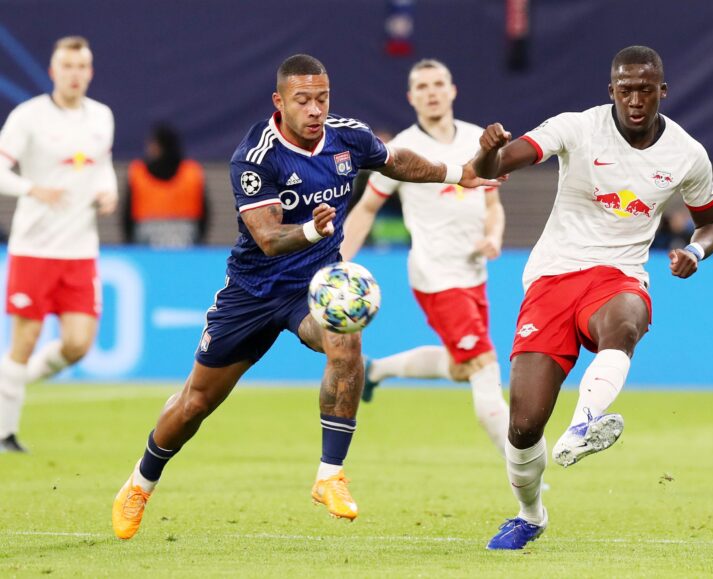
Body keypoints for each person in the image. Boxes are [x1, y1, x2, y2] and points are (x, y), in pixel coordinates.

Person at [111, 53, 495, 540]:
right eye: (303, 100)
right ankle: (140, 482)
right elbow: (269, 238)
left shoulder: (347, 137)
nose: (315, 110)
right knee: (195, 403)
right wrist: (313, 233)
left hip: (315, 284)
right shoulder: (255, 156)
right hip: (253, 290)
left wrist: (457, 173)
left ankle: (329, 475)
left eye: (322, 99)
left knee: (345, 338)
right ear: (280, 102)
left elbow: (395, 161)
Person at [473, 46, 713, 550]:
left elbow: (712, 222)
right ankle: (530, 514)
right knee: (523, 426)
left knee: (627, 320)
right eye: (625, 89)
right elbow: (498, 163)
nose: (635, 99)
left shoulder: (687, 153)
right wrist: (489, 149)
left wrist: (695, 252)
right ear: (611, 91)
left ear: (662, 92)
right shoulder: (576, 128)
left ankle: (586, 422)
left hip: (619, 274)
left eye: (645, 89)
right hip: (552, 277)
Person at [342, 59, 509, 454]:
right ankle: (524, 468)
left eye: (438, 84)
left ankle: (377, 369)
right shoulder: (400, 150)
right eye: (422, 86)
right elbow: (366, 209)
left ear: (452, 90)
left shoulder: (476, 140)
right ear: (411, 97)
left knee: (460, 366)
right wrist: (337, 261)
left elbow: (493, 203)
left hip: (474, 273)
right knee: (485, 367)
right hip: (435, 276)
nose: (431, 92)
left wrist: (495, 236)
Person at [0, 36, 118, 453]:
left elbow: (102, 167)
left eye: (81, 66)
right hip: (35, 248)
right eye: (67, 66)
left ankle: (10, 382)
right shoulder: (29, 117)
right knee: (25, 339)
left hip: (80, 251)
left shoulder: (101, 117)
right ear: (53, 72)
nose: (74, 73)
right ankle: (5, 434)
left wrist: (109, 193)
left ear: (90, 71)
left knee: (78, 344)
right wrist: (33, 188)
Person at [123, 123, 208, 247]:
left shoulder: (137, 172)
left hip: (145, 241)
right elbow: (204, 216)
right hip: (187, 240)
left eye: (153, 144)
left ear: (160, 146)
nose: (149, 148)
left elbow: (127, 217)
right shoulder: (192, 172)